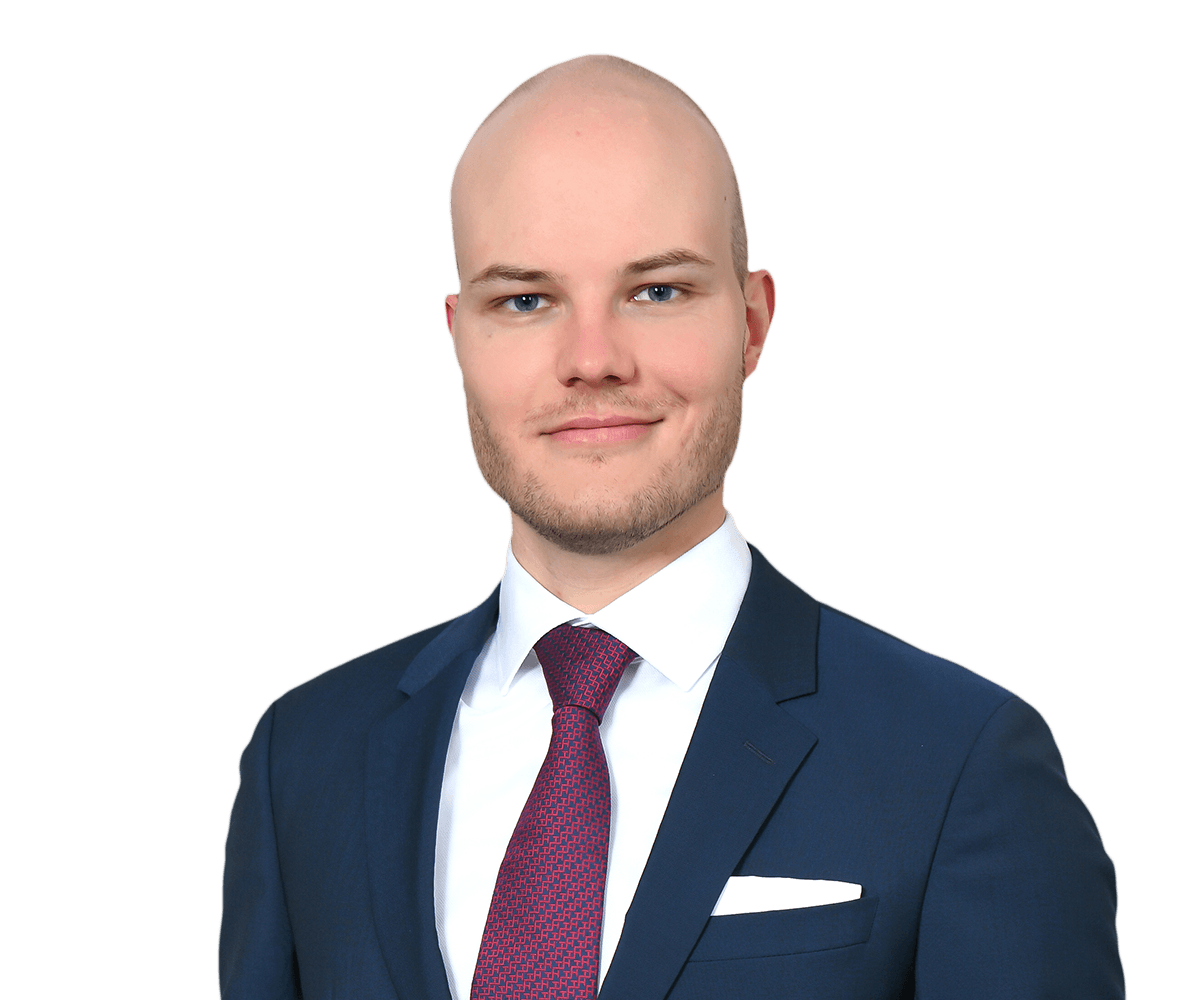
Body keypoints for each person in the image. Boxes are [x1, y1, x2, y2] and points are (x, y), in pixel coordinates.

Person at [219, 53, 1125, 999]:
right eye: (524, 300)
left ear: (752, 323)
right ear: (459, 338)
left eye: (656, 291)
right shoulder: (304, 759)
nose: (592, 359)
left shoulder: (960, 762)